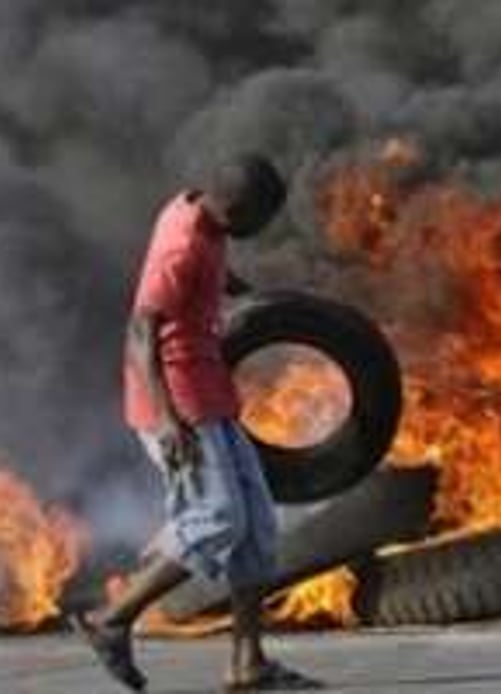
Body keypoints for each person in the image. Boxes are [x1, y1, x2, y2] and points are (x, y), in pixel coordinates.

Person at [73, 154, 322, 692]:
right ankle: (110, 620)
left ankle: (247, 665)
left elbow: (210, 265)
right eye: (258, 221)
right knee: (217, 519)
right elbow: (141, 334)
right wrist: (166, 423)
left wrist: (241, 290)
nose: (260, 231)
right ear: (237, 208)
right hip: (179, 403)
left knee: (256, 528)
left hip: (212, 392)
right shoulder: (181, 246)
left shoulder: (197, 207)